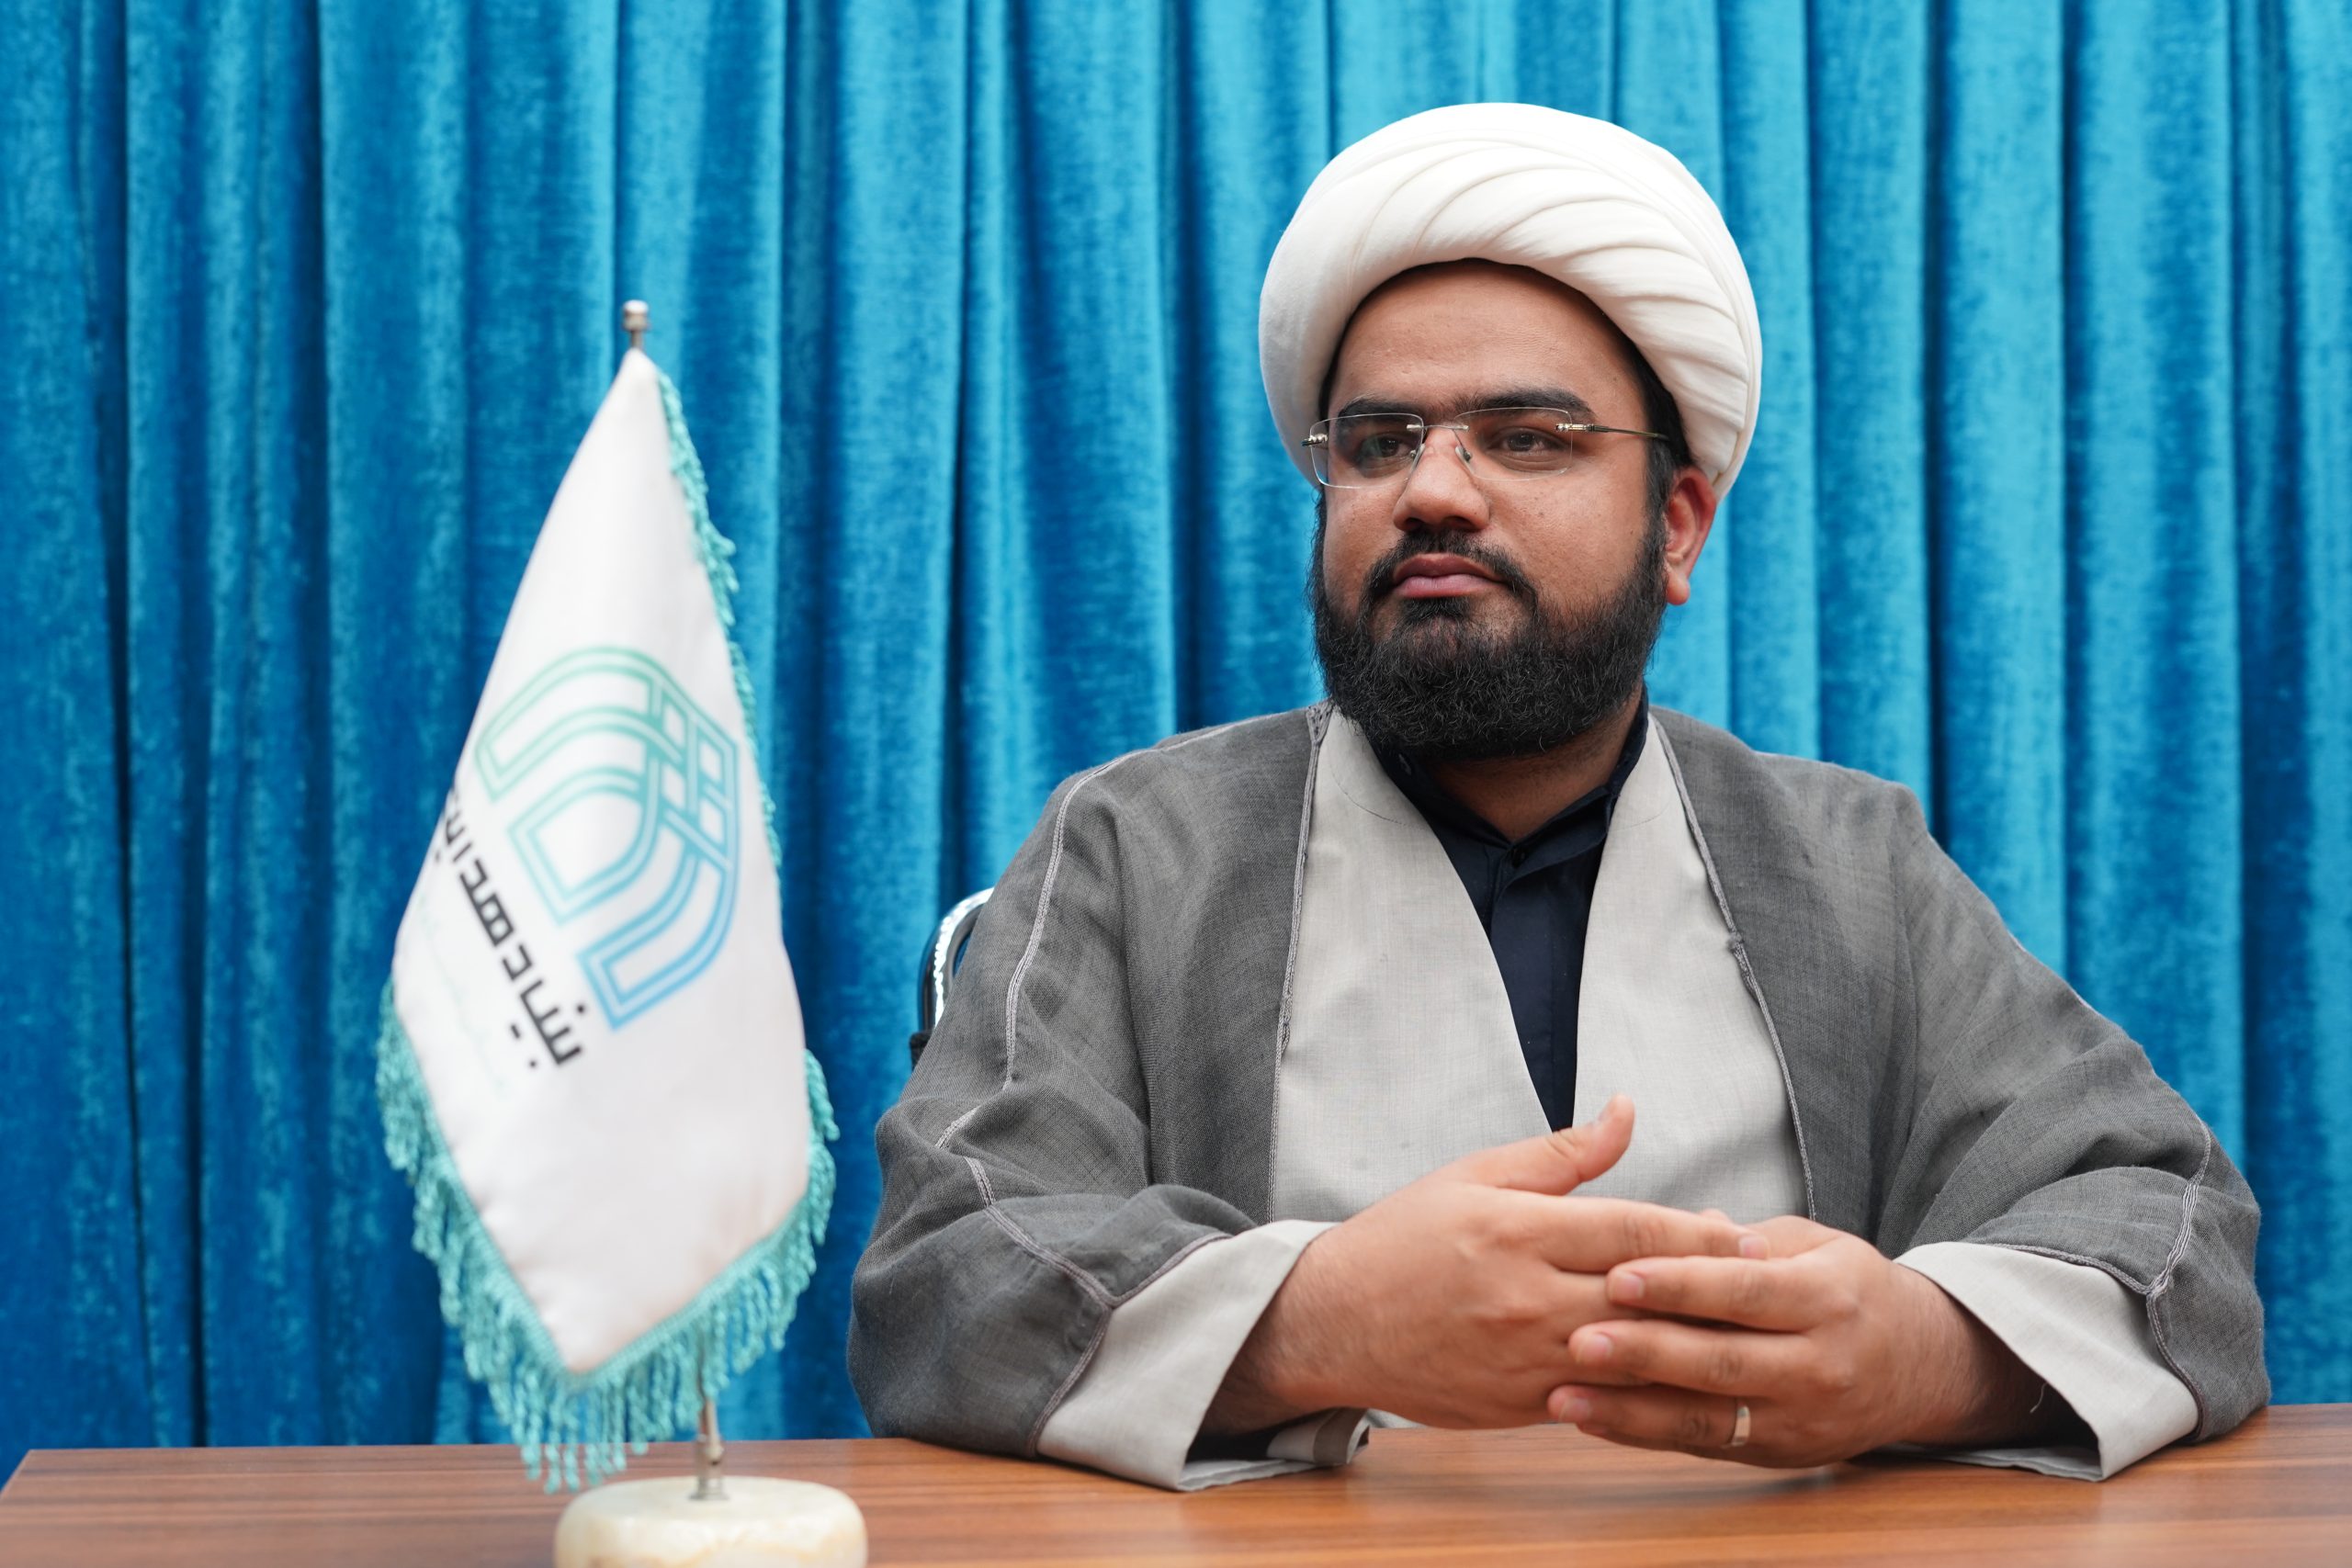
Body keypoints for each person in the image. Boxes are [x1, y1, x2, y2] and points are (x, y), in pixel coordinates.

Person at [848, 104, 2267, 1491]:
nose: (1433, 491)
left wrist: (1922, 1355)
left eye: (1526, 437)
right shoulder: (1134, 846)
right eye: (1379, 441)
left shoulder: (1851, 863)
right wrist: (1317, 1323)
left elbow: (2173, 1222)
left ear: (1678, 526)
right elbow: (946, 1266)